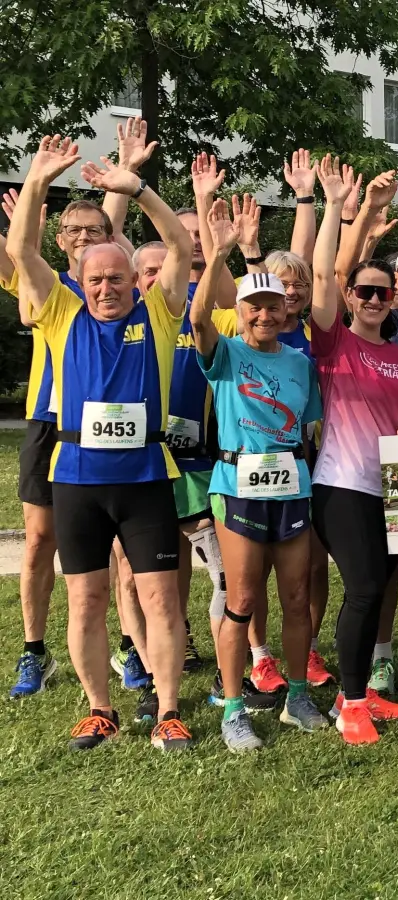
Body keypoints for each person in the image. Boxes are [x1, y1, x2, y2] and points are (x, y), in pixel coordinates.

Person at [8, 136, 195, 750]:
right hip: (77, 481)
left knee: (159, 601)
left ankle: (168, 709)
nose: (108, 287)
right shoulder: (61, 314)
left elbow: (182, 246)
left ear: (133, 283)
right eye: (97, 279)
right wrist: (37, 179)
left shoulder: (160, 314)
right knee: (85, 601)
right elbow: (22, 249)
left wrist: (135, 189)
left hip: (144, 480)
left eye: (118, 278)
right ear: (79, 281)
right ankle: (99, 708)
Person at [3, 137, 139, 698]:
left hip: (119, 424)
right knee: (40, 540)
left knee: (120, 547)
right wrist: (36, 185)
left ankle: (131, 647)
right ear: (57, 242)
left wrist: (125, 176)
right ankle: (35, 651)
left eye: (95, 233)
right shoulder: (51, 286)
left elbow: (105, 236)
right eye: (72, 233)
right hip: (49, 422)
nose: (85, 240)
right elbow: (22, 249)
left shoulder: (118, 285)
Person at [190, 197, 325, 751]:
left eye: (274, 307)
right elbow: (198, 317)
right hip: (237, 487)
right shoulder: (222, 353)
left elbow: (311, 426)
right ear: (241, 312)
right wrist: (220, 250)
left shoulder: (299, 362)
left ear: (286, 312)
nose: (265, 315)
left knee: (296, 598)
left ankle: (297, 695)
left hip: (292, 487)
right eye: (255, 308)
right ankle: (233, 707)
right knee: (241, 599)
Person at [307, 160, 398, 744]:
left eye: (383, 292)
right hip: (342, 485)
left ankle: (362, 689)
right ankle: (348, 703)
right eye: (365, 292)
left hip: (394, 487)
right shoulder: (334, 339)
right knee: (366, 587)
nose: (375, 299)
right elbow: (323, 271)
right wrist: (337, 206)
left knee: (387, 577)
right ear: (351, 297)